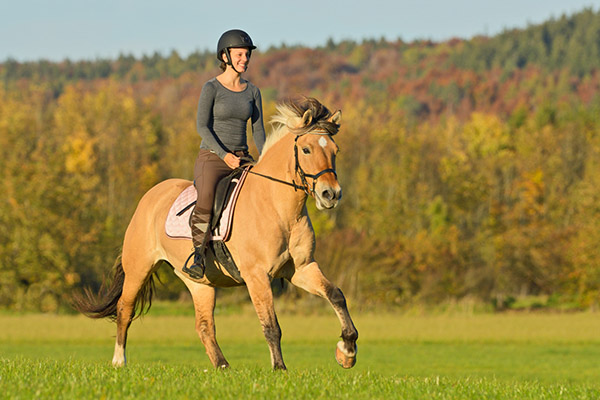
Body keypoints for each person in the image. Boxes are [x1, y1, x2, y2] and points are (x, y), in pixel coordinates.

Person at [183, 29, 266, 279]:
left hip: (243, 159)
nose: (245, 59)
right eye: (240, 54)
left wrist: (265, 161)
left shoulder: (253, 92)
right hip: (213, 157)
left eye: (247, 55)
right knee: (206, 196)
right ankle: (197, 255)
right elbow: (202, 126)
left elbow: (259, 131)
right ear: (225, 56)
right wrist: (223, 154)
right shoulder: (211, 88)